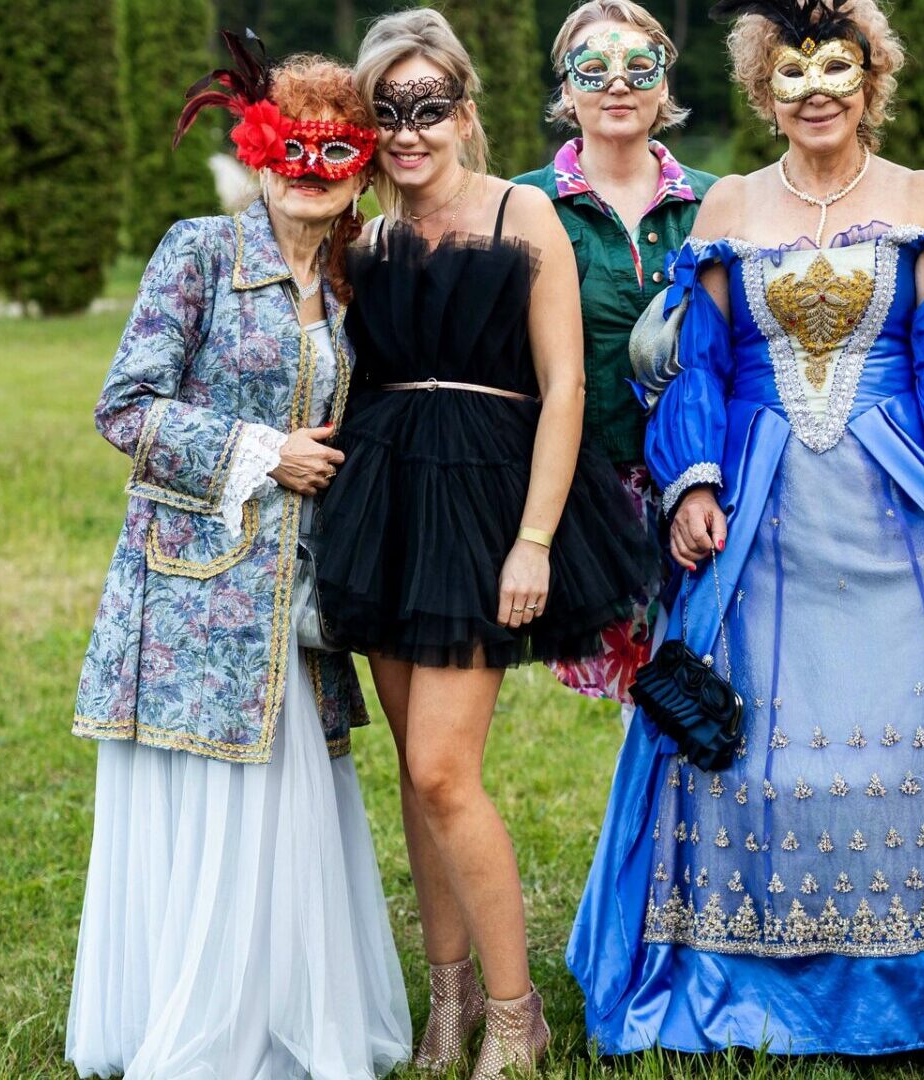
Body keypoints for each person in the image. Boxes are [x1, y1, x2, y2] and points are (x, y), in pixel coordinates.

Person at [566, 0, 924, 1055]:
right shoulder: (729, 203)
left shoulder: (921, 197)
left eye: (836, 71)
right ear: (764, 91)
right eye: (792, 73)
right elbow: (699, 360)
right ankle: (738, 976)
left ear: (871, 82)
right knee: (752, 736)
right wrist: (693, 484)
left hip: (898, 496)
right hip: (761, 505)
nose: (815, 93)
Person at [312, 9, 658, 1077]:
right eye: (388, 113)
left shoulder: (522, 212)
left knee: (443, 769)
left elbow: (567, 386)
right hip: (385, 504)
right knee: (416, 780)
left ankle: (518, 1015)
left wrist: (535, 540)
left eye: (429, 108)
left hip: (490, 505)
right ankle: (449, 998)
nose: (409, 132)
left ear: (465, 112)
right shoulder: (360, 237)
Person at [65, 38, 412, 1078]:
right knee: (215, 811)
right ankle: (199, 1026)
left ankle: (280, 1014)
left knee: (292, 815)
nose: (312, 171)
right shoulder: (200, 253)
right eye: (291, 149)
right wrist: (265, 452)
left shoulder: (353, 277)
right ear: (258, 152)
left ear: (362, 167)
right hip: (194, 599)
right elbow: (125, 408)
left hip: (300, 606)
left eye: (337, 152)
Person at [514, 0, 719, 710]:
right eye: (593, 68)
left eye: (640, 66)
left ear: (665, 83)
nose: (618, 84)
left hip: (706, 480)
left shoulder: (717, 204)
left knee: (711, 672)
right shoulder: (524, 205)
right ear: (567, 90)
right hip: (583, 486)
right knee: (641, 693)